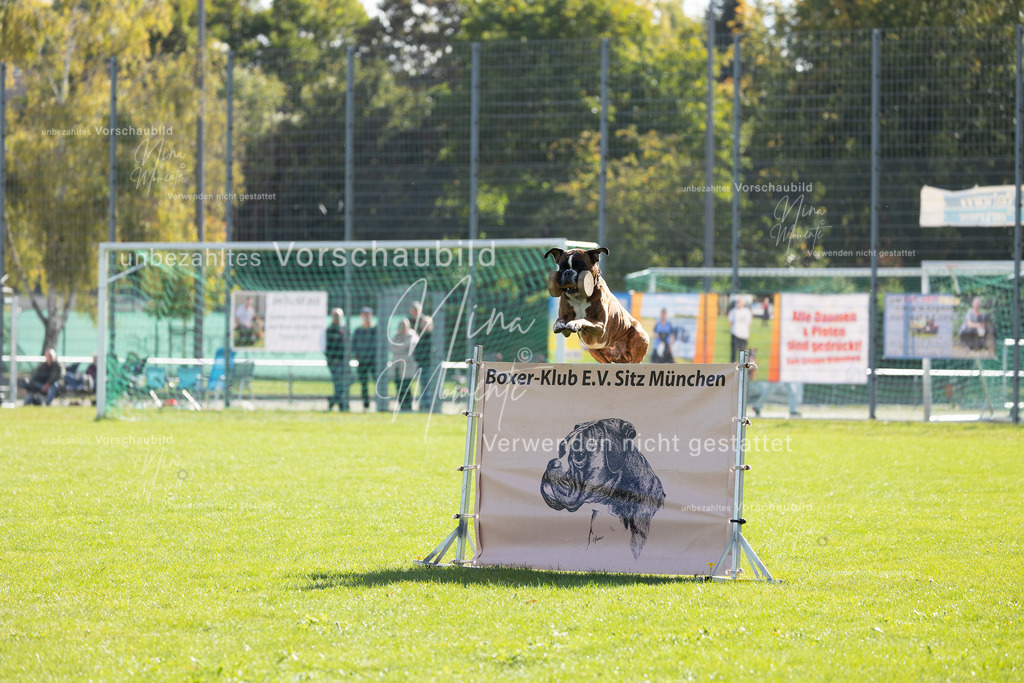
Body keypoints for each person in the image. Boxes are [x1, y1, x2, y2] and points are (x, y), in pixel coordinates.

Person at [351, 306, 378, 411]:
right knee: (364, 384)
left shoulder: (375, 330)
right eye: (364, 314)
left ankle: (380, 403)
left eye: (368, 314)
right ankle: (366, 405)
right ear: (361, 316)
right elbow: (354, 345)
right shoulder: (358, 331)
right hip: (362, 361)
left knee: (378, 382)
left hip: (374, 361)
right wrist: (357, 355)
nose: (366, 316)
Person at [390, 318, 419, 412]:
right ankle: (402, 406)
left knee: (406, 386)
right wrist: (402, 348)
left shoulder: (412, 335)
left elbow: (410, 346)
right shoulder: (396, 335)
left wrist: (399, 348)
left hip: (408, 366)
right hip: (397, 366)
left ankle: (408, 406)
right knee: (399, 387)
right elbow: (392, 347)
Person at [325, 308, 348, 411]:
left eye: (338, 316)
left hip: (343, 361)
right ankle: (342, 406)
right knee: (338, 383)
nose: (336, 318)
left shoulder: (344, 329)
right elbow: (326, 347)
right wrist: (331, 358)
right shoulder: (329, 330)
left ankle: (333, 400)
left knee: (349, 380)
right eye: (335, 315)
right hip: (334, 362)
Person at [728, 297, 753, 363]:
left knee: (742, 354)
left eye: (740, 302)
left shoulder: (747, 311)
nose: (739, 304)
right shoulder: (733, 311)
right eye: (738, 302)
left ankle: (741, 369)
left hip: (744, 336)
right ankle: (732, 368)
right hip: (735, 335)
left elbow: (749, 322)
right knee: (733, 353)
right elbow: (730, 322)